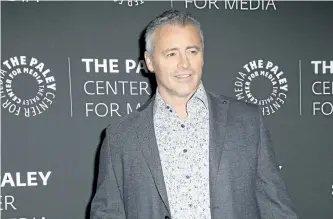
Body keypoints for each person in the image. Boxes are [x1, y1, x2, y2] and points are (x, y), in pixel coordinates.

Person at [90, 10, 298, 219]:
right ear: (150, 61)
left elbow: (276, 208)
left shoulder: (247, 120)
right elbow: (108, 213)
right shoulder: (120, 136)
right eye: (171, 53)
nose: (184, 64)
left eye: (192, 51)